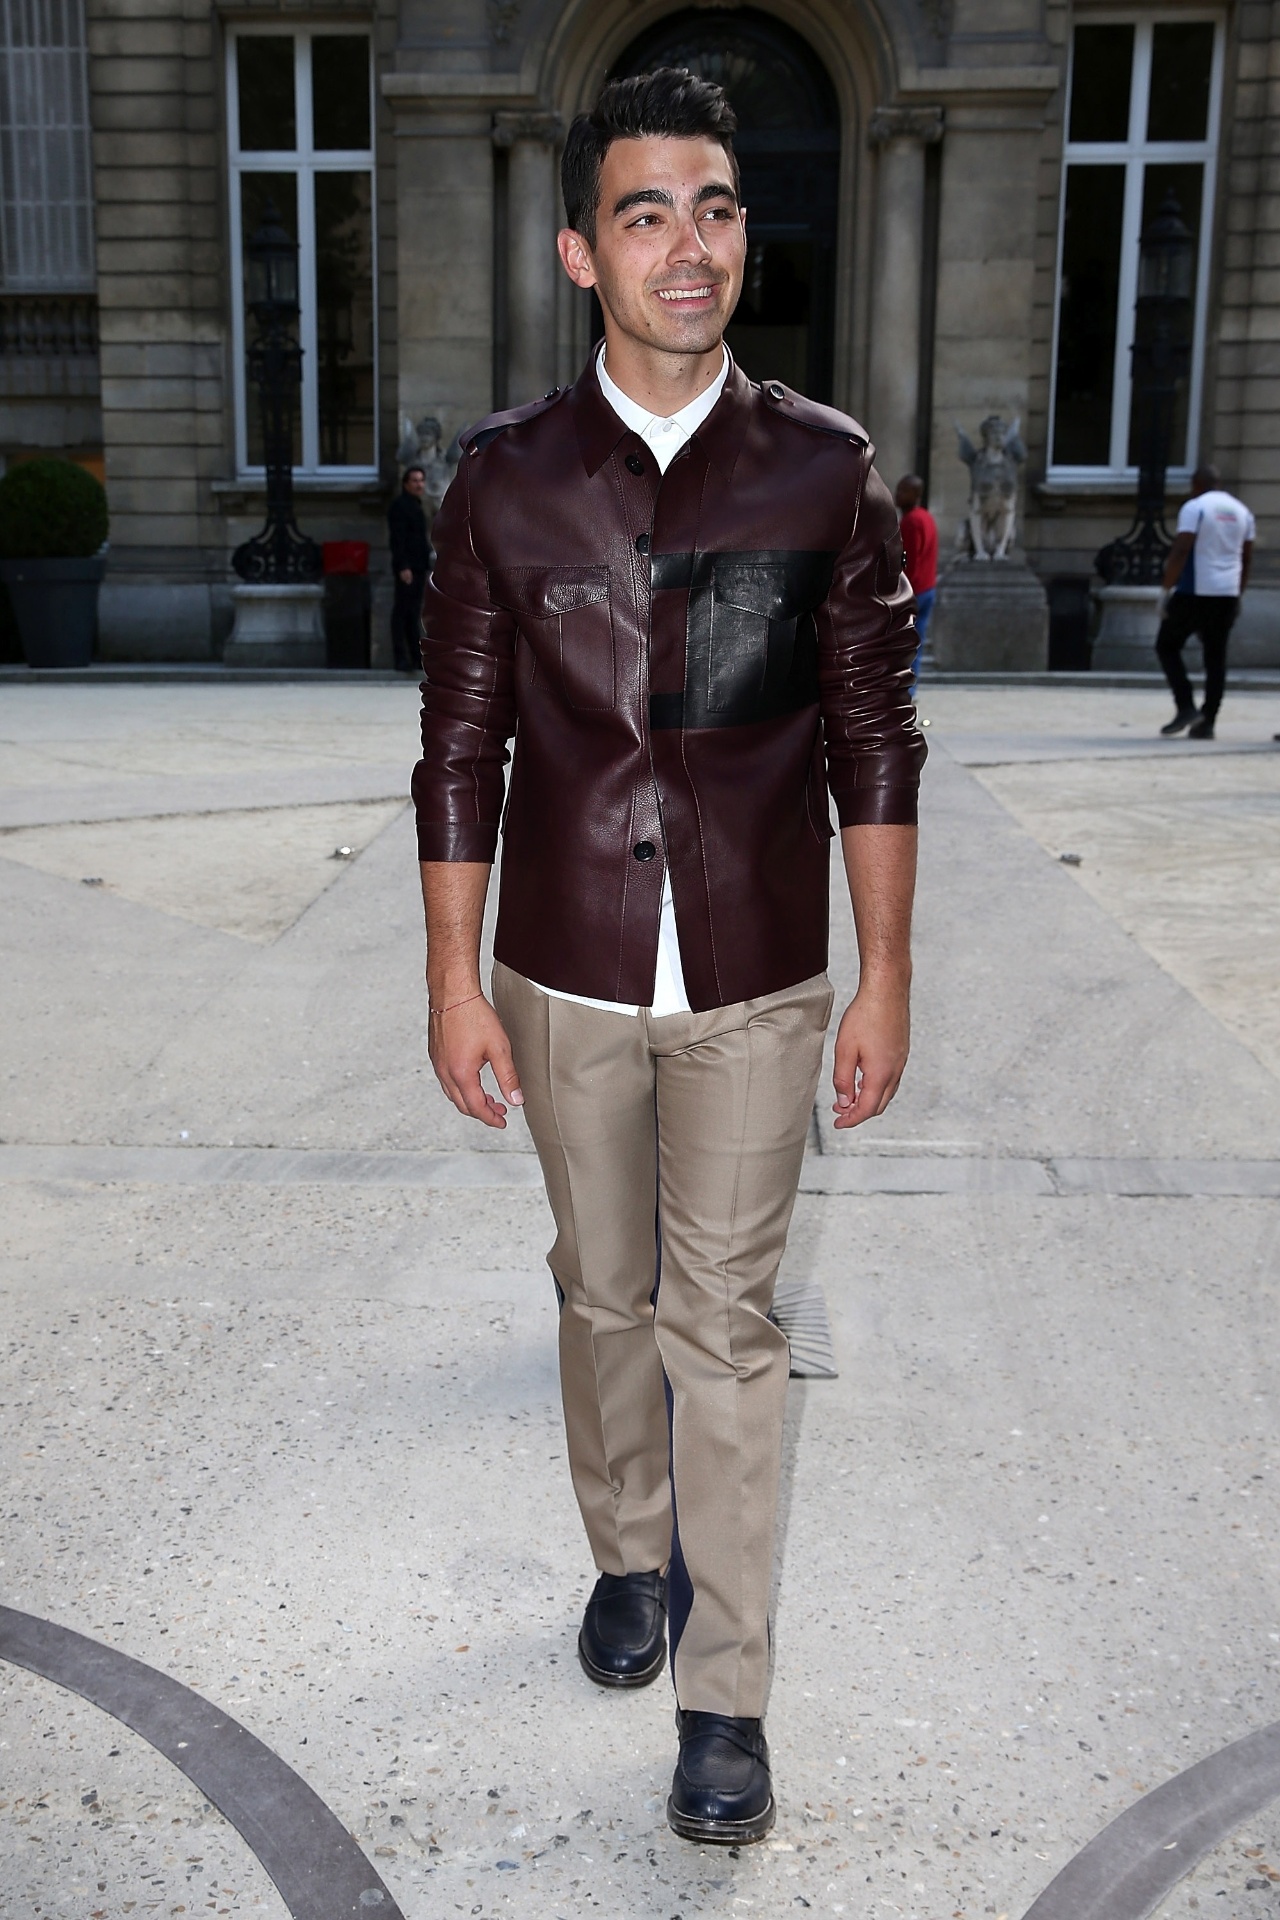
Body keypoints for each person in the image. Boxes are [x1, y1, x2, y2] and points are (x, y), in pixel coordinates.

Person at [412, 67, 924, 1847]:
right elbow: (458, 742)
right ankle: (629, 1553)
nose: (686, 244)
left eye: (712, 206)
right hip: (563, 966)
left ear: (741, 234)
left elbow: (874, 731)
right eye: (645, 213)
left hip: (763, 977)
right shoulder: (503, 483)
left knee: (726, 1324)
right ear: (581, 251)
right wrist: (454, 980)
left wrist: (888, 975)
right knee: (599, 1287)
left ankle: (726, 1696)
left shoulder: (827, 469)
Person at [1156, 464, 1255, 739]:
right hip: (1226, 591)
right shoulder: (1242, 511)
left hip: (1194, 590)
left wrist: (1165, 590)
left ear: (1195, 484)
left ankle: (1185, 705)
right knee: (1215, 657)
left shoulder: (1195, 507)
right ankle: (1207, 721)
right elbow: (1246, 557)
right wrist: (1238, 592)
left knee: (1166, 646)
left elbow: (1181, 549)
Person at [387, 465, 431, 676]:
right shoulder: (400, 506)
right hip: (408, 568)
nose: (419, 484)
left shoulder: (415, 505)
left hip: (418, 566)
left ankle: (414, 657)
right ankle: (402, 657)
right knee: (402, 612)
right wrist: (403, 566)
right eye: (414, 480)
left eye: (421, 480)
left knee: (412, 613)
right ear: (405, 484)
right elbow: (398, 540)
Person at [895, 473, 937, 682]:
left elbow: (908, 562)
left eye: (902, 491)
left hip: (915, 591)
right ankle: (911, 686)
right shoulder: (926, 517)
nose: (897, 495)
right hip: (927, 589)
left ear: (915, 494)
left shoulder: (911, 522)